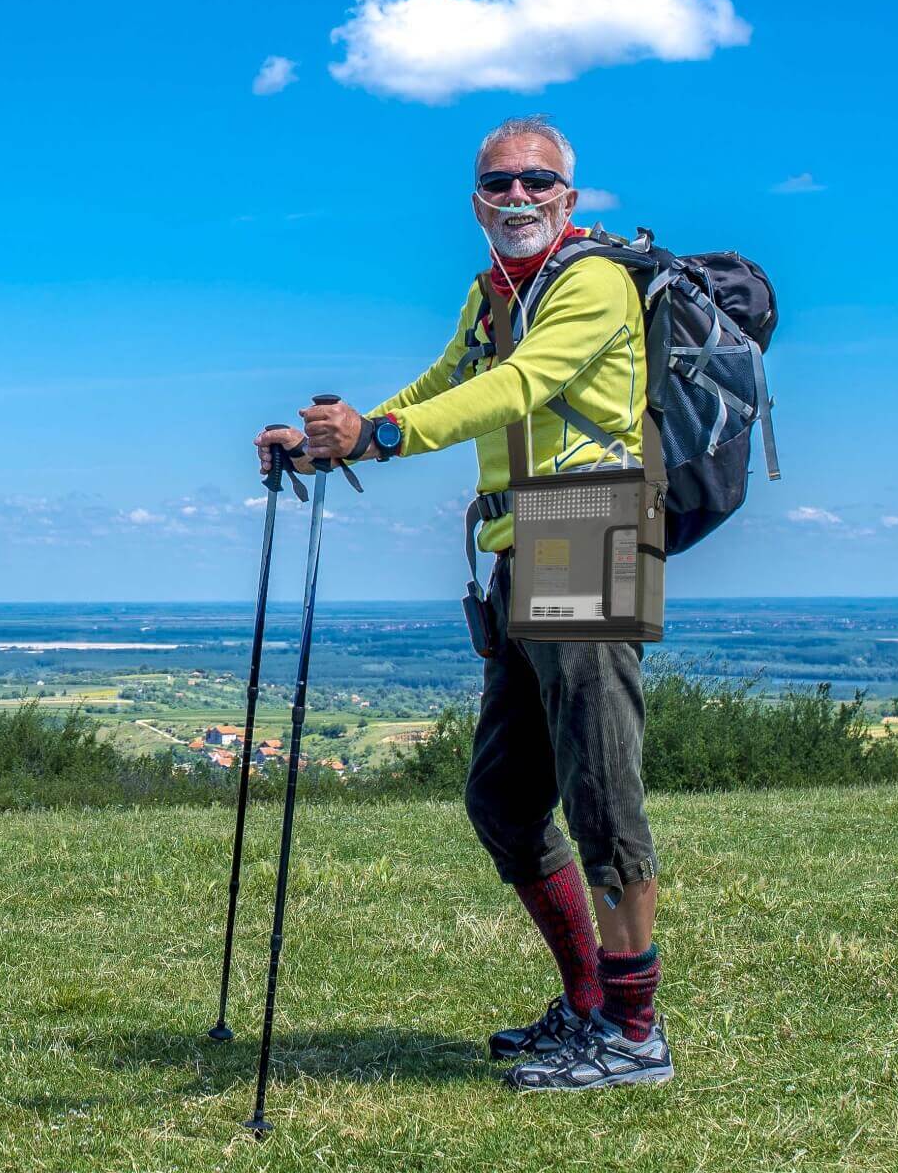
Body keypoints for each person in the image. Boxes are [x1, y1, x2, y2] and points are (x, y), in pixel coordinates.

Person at [253, 115, 671, 1092]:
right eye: (498, 183)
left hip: (587, 526)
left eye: (536, 182)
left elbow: (521, 390)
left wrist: (385, 438)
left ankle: (635, 1033)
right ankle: (588, 1009)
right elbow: (445, 384)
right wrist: (340, 438)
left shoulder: (593, 283)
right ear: (477, 200)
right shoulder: (493, 297)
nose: (517, 197)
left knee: (601, 797)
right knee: (504, 798)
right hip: (520, 547)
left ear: (569, 197)